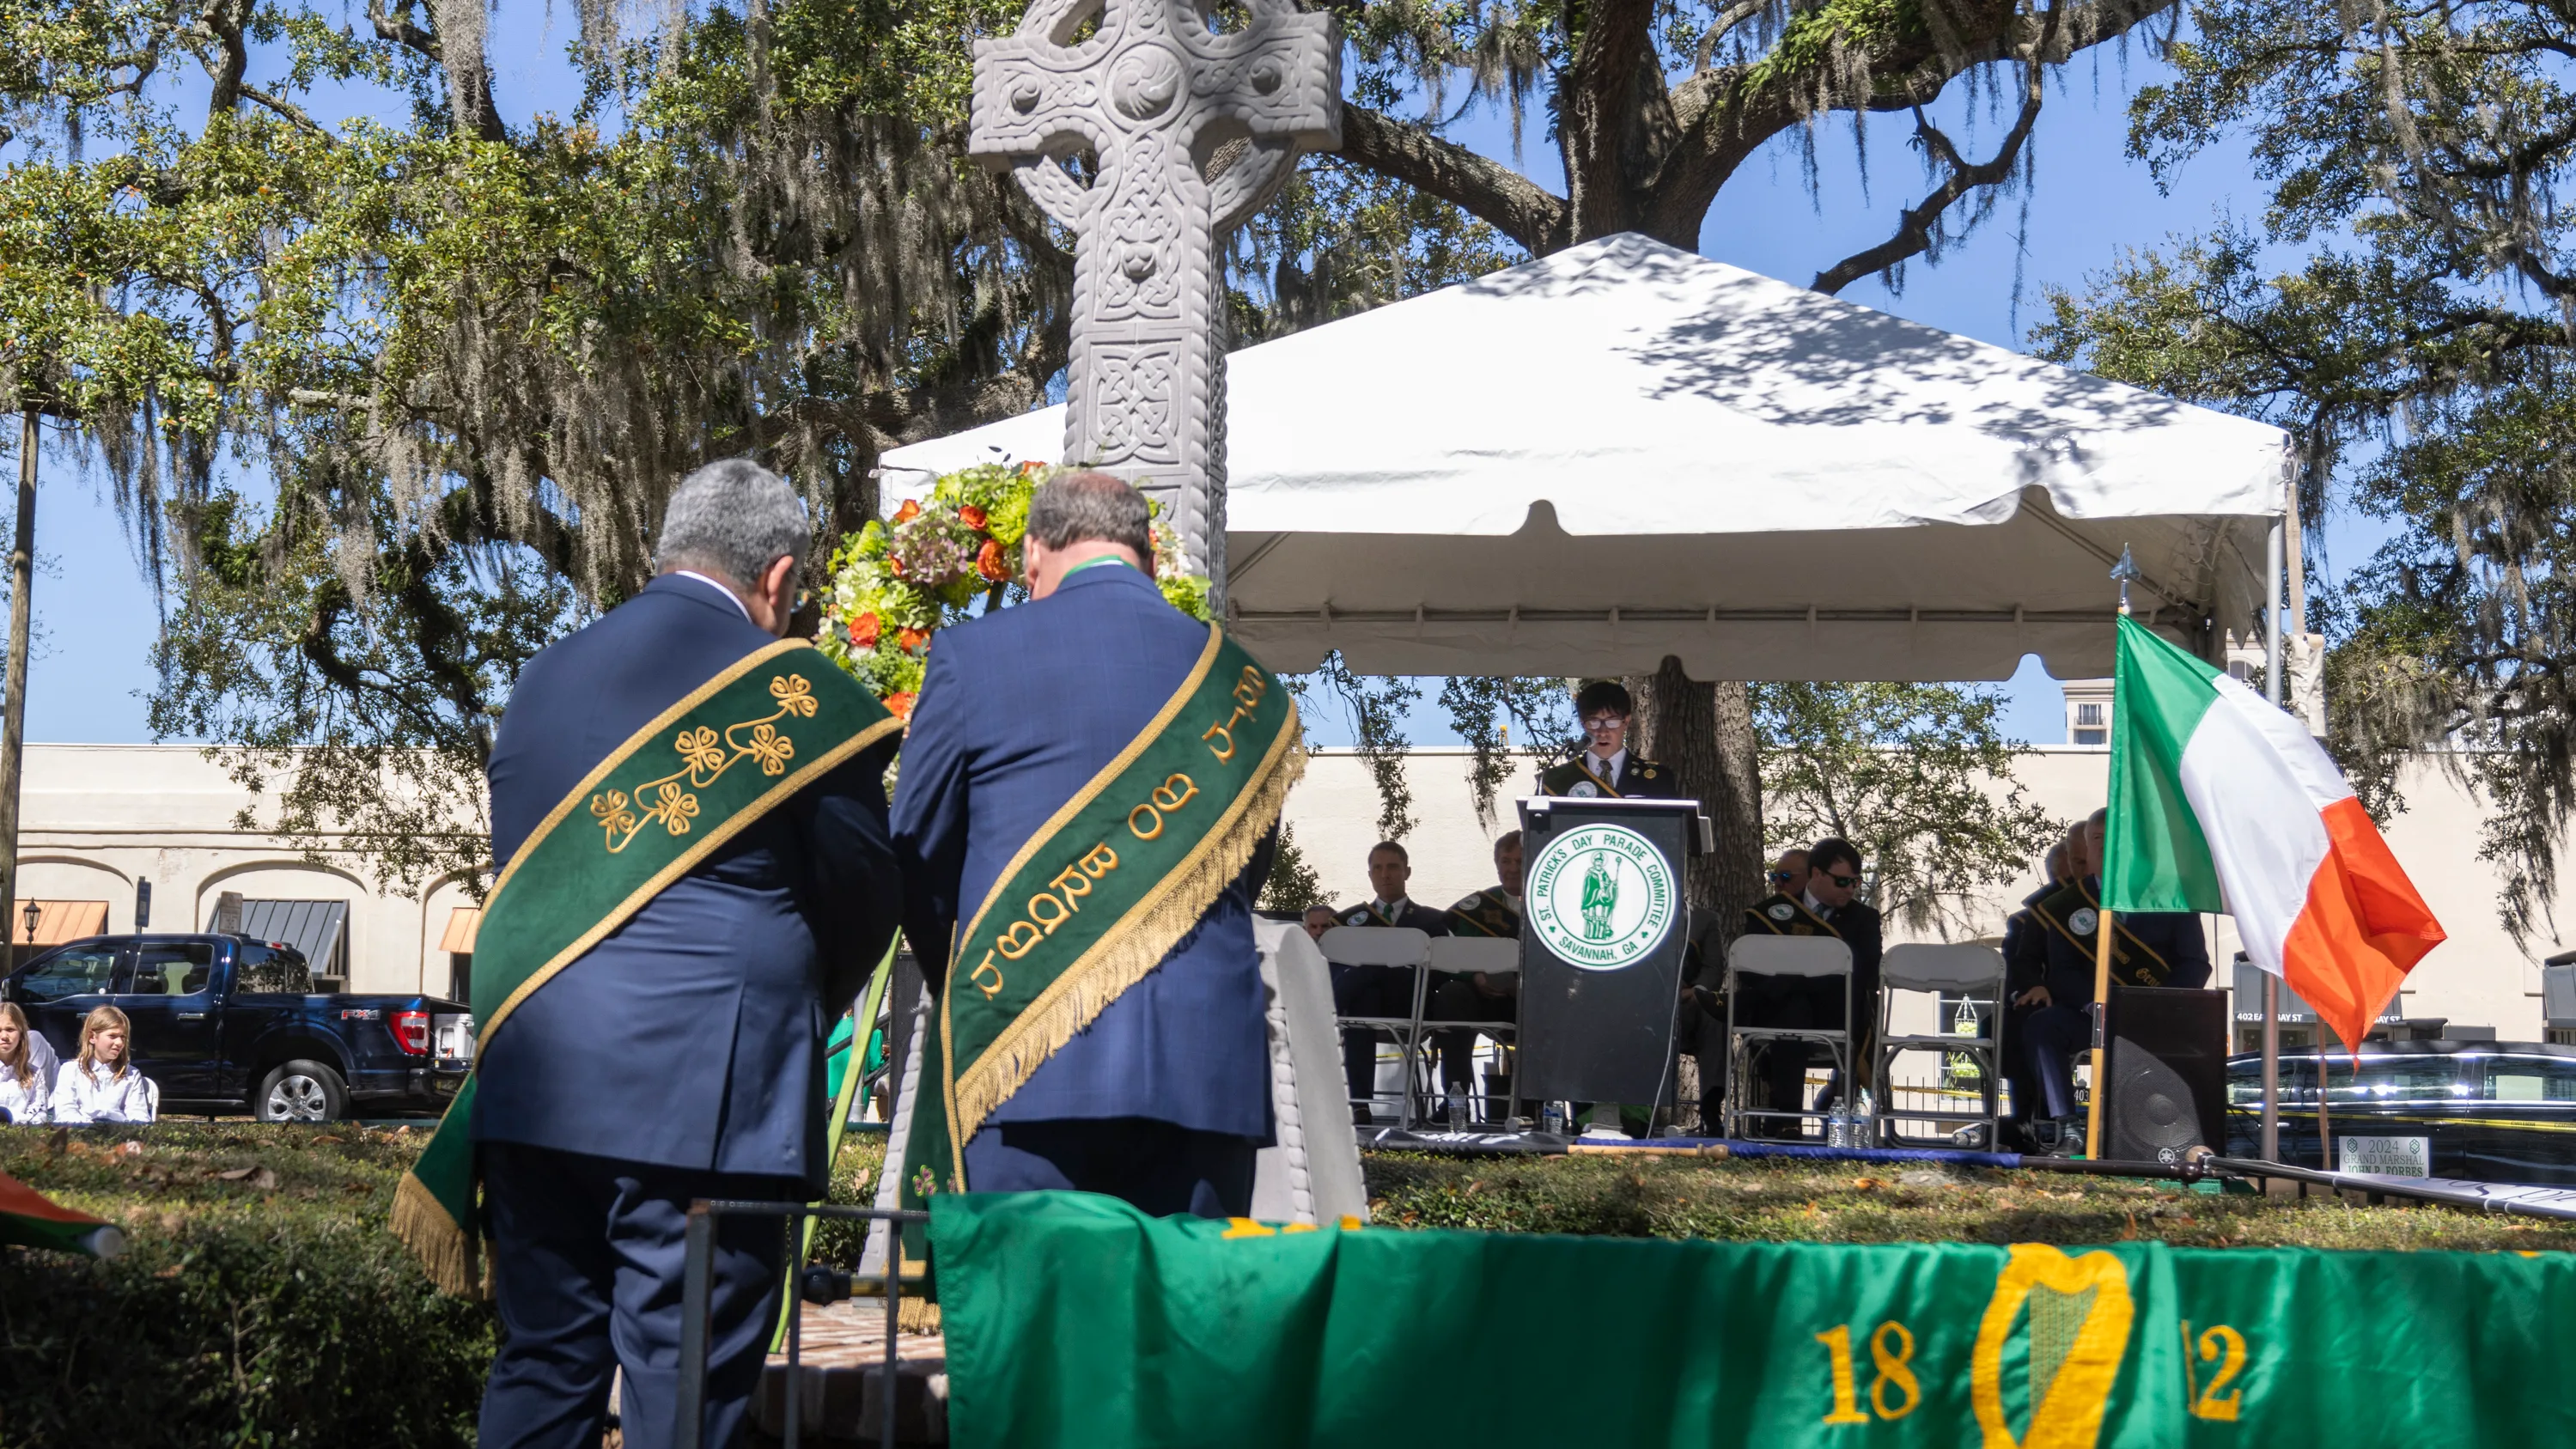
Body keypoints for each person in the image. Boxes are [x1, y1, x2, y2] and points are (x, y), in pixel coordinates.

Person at [462, 459, 903, 1449]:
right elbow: (865, 893)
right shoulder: (790, 690)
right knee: (686, 1396)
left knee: (540, 1369)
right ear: (778, 578)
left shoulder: (544, 676)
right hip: (708, 1106)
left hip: (535, 1089)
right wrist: (800, 999)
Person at [892, 471, 1288, 1217]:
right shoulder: (1242, 682)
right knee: (1184, 1294)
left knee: (1024, 1292)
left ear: (1032, 553)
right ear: (1149, 557)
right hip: (1202, 1068)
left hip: (1025, 1056)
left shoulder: (970, 656)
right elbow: (1245, 865)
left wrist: (976, 977)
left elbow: (916, 849)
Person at [2021, 808, 2211, 1151]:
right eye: (2097, 840)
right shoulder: (2066, 906)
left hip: (2156, 1016)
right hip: (2093, 1017)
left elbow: (2195, 964)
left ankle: (2169, 1136)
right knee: (2042, 1026)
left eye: (2116, 840)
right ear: (2087, 848)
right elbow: (2063, 972)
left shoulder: (2171, 898)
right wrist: (2093, 1005)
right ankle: (2068, 1127)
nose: (2105, 848)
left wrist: (2161, 1005)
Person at [1733, 839, 1881, 1137]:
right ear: (1817, 874)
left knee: (1791, 1000)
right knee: (1793, 1008)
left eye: (1855, 882)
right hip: (1779, 1014)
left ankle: (1787, 1118)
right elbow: (1749, 969)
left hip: (1836, 1013)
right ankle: (1788, 1119)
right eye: (1843, 881)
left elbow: (1867, 974)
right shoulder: (1770, 913)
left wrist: (1794, 979)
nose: (1850, 890)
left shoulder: (1864, 919)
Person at [1674, 850, 1810, 1134]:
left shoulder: (1703, 920)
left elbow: (1713, 969)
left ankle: (1711, 1108)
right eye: (1774, 877)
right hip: (1644, 1005)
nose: (1778, 883)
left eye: (1785, 877)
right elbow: (1751, 972)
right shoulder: (1764, 917)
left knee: (1715, 1016)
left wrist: (1696, 991)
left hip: (1688, 1005)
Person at [1328, 840, 1450, 1120]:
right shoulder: (1348, 922)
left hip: (1410, 1005)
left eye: (1393, 867)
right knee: (1364, 1000)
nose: (1385, 875)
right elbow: (1336, 968)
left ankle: (1328, 1007)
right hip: (1364, 1005)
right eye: (1378, 868)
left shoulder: (1432, 921)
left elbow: (1441, 974)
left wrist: (1380, 964)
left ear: (1407, 872)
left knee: (1366, 977)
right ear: (1370, 874)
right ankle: (1360, 1105)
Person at [1433, 831, 1526, 1116]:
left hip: (1531, 1003)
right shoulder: (1478, 908)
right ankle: (1456, 1102)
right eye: (1505, 861)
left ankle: (1535, 1105)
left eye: (1520, 861)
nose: (1512, 868)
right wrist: (1475, 977)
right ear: (1496, 864)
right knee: (1451, 995)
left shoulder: (1552, 904)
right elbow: (1454, 954)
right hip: (1482, 998)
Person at [1999, 838, 2074, 1149]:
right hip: (2046, 1008)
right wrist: (2029, 990)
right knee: (2015, 1020)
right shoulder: (2029, 920)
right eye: (2068, 876)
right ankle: (2029, 1120)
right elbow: (2016, 969)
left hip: (2088, 1006)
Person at [1538, 681, 1681, 798]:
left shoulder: (1658, 778)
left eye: (1612, 722)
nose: (1602, 732)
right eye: (1593, 722)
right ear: (1582, 723)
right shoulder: (1555, 781)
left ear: (1626, 722)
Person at [51, 1005, 154, 1125]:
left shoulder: (131, 1074)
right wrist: (90, 1127)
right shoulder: (70, 1071)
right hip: (80, 1131)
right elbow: (65, 1112)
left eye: (123, 1037)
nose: (119, 1042)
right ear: (92, 1037)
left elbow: (138, 1113)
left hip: (119, 1132)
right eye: (112, 1036)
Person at [0, 1002, 52, 1124]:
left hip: (20, 1135)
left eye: (10, 1030)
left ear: (21, 1034)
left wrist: (11, 1118)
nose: (4, 1036)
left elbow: (39, 1117)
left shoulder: (34, 1074)